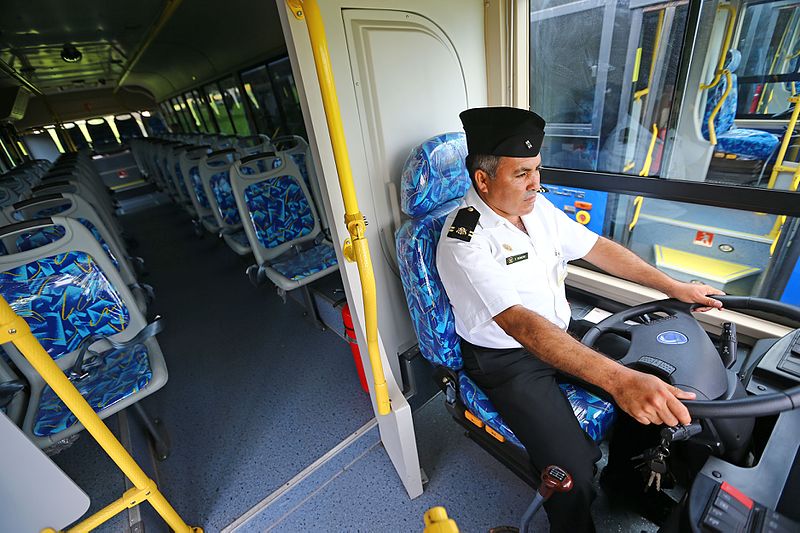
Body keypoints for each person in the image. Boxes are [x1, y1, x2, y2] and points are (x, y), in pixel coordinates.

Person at [436, 106, 724, 532]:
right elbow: (521, 324)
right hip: (507, 359)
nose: (536, 182)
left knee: (655, 372)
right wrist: (617, 381)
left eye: (537, 169)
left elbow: (598, 248)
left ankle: (628, 484)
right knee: (571, 468)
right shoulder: (464, 239)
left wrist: (674, 287)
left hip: (561, 332)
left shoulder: (536, 208)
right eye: (521, 174)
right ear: (483, 179)